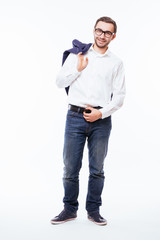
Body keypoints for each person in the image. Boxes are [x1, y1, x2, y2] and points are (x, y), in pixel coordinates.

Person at [51, 16, 126, 226]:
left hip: (101, 120)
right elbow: (58, 82)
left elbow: (119, 97)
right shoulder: (79, 55)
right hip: (74, 117)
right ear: (93, 31)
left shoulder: (116, 63)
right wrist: (78, 69)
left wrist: (100, 114)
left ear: (113, 36)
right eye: (99, 31)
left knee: (97, 169)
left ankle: (93, 210)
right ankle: (69, 209)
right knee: (70, 168)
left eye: (107, 32)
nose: (102, 35)